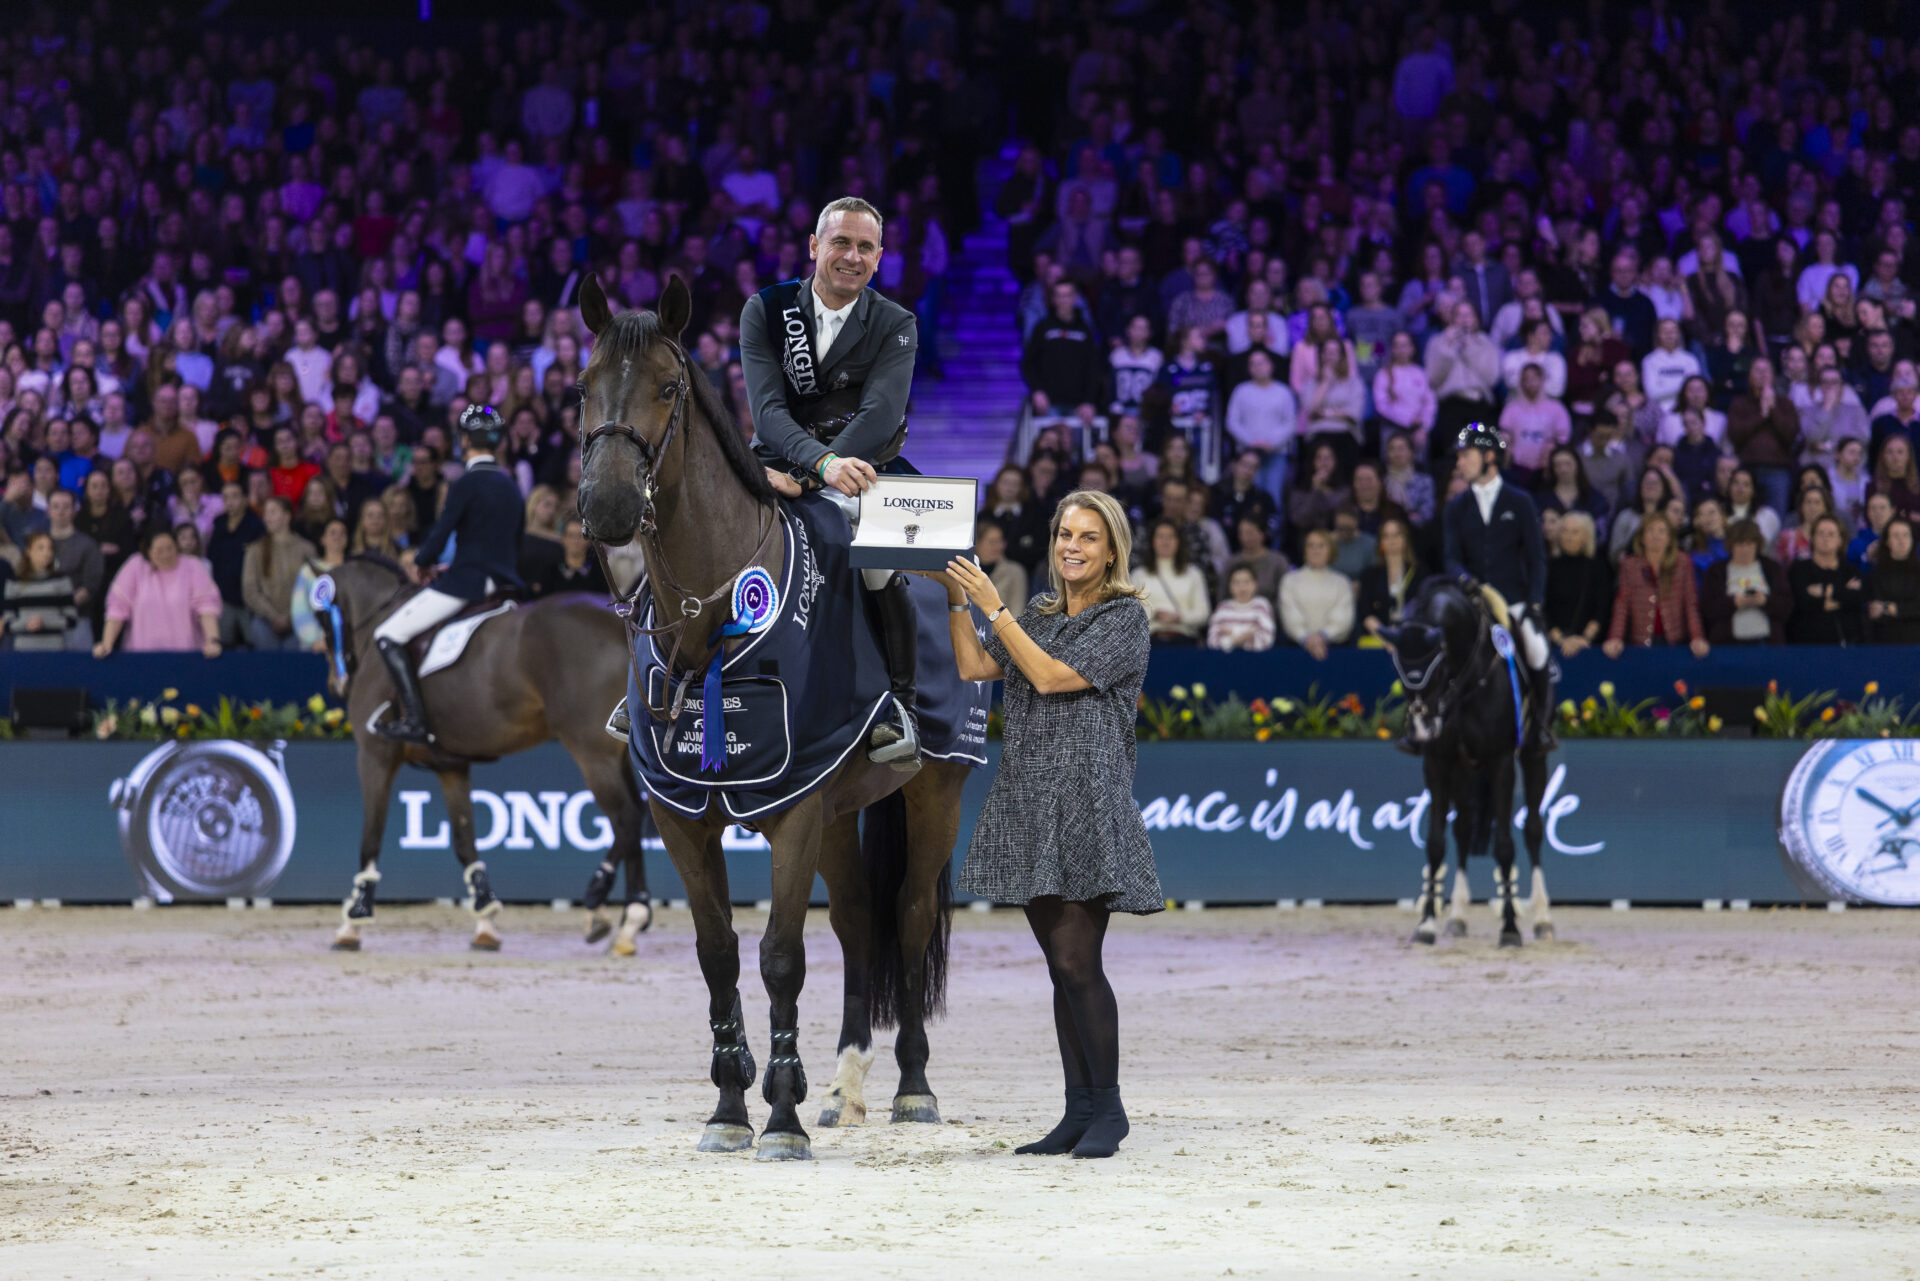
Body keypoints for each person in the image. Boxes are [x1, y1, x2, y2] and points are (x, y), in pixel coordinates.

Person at [934, 489, 1159, 1160]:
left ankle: (1109, 1110)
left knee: (1077, 961)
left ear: (1111, 548)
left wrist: (992, 606)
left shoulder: (1126, 617)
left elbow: (1053, 676)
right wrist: (953, 597)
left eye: (1088, 536)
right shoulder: (1038, 612)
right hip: (1031, 798)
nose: (1071, 545)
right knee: (1061, 969)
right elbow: (976, 665)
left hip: (1088, 802)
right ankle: (1077, 1108)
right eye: (1064, 533)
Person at [743, 196, 924, 765]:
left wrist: (822, 475)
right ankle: (658, 683)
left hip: (862, 470)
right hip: (774, 465)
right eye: (841, 243)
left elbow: (879, 415)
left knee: (878, 559)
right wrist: (813, 467)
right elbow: (767, 410)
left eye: (865, 247)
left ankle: (899, 703)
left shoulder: (895, 323)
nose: (852, 256)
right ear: (815, 247)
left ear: (879, 258)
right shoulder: (767, 310)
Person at [370, 406, 526, 744]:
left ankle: (415, 719)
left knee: (387, 634)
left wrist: (425, 562)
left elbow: (439, 537)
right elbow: (510, 543)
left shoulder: (464, 484)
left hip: (467, 584)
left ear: (465, 440)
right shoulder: (512, 487)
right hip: (505, 584)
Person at [1429, 423, 1553, 750]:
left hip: (1511, 600)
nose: (1459, 463)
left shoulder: (1520, 501)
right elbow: (1451, 557)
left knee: (1538, 651)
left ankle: (1540, 726)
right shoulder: (1456, 507)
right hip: (1472, 601)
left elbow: (1536, 558)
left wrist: (1535, 604)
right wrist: (1465, 581)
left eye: (1466, 456)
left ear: (1489, 457)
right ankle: (1430, 725)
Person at [93, 527, 223, 658]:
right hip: (141, 656)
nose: (166, 555)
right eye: (159, 551)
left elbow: (207, 607)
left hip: (186, 655)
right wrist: (107, 643)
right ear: (148, 551)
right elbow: (117, 608)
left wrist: (213, 640)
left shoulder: (192, 566)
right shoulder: (135, 565)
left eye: (170, 548)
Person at [1603, 513, 1710, 657]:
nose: (1656, 535)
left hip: (1675, 641)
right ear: (1641, 537)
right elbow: (1622, 604)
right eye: (1650, 530)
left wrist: (1697, 637)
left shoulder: (1683, 562)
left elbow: (1690, 603)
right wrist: (1615, 638)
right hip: (1639, 642)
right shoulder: (1630, 565)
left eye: (1661, 531)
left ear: (1669, 538)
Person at [242, 496, 318, 652]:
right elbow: (249, 589)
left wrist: (291, 616)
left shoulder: (306, 549)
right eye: (265, 513)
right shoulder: (255, 550)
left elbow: (313, 586)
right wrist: (273, 616)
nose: (267, 517)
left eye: (273, 512)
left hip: (300, 620)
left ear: (287, 516)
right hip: (264, 621)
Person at [1700, 520, 1791, 645]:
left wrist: (1764, 601)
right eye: (1740, 544)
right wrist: (1734, 603)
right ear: (1731, 545)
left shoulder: (1771, 568)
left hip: (1766, 644)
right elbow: (1708, 608)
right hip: (1728, 645)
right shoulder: (1717, 571)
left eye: (1749, 544)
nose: (1745, 549)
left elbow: (1786, 605)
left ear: (1757, 544)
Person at [1786, 513, 1866, 645]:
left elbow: (1857, 599)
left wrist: (1825, 591)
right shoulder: (1799, 569)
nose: (1825, 538)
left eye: (1831, 534)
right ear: (1812, 538)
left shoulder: (1850, 570)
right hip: (1805, 644)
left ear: (1840, 540)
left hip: (1846, 644)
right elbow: (1802, 602)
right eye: (1820, 533)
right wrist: (1843, 595)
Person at [1543, 511, 1611, 659]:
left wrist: (1584, 639)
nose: (1568, 537)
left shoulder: (1598, 566)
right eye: (1565, 531)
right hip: (1556, 646)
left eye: (1575, 532)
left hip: (1589, 647)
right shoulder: (1550, 566)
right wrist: (1562, 640)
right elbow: (1544, 607)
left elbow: (1602, 608)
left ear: (1586, 535)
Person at [1130, 518, 1209, 645]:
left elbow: (1203, 613)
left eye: (1170, 537)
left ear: (1179, 542)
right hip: (1149, 644)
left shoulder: (1193, 574)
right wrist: (1155, 614)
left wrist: (1179, 617)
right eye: (1160, 536)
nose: (1165, 541)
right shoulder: (1138, 575)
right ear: (1152, 541)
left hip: (1185, 642)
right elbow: (1131, 614)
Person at [1277, 528, 1353, 659]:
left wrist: (1323, 636)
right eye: (1311, 545)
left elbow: (1343, 618)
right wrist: (1306, 638)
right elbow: (1290, 614)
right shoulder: (1290, 580)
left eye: (1321, 546)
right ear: (1305, 550)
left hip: (1335, 653)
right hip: (1296, 652)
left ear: (1330, 550)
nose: (1315, 550)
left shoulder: (1342, 582)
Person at [1, 530, 80, 651]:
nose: (46, 553)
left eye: (50, 548)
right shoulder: (15, 581)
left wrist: (45, 623)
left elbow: (71, 619)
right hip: (23, 649)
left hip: (54, 648)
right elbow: (7, 621)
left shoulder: (62, 580)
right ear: (28, 551)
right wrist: (26, 624)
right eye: (41, 548)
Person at [1356, 516, 1419, 642]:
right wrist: (1387, 638)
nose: (1392, 540)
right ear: (1381, 542)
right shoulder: (1369, 575)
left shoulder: (1420, 573)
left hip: (1412, 640)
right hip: (1378, 641)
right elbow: (1365, 614)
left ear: (1405, 539)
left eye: (1396, 535)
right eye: (1386, 536)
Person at [1868, 517, 1920, 644]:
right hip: (1884, 639)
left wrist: (1894, 609)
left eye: (1906, 535)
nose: (1901, 541)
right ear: (1887, 541)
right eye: (1896, 536)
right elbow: (1874, 608)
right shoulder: (1876, 572)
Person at [1206, 564, 1276, 651]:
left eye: (1247, 582)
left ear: (1255, 584)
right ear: (1230, 586)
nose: (1242, 588)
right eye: (1237, 583)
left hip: (1256, 660)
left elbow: (1267, 640)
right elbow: (1212, 642)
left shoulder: (1262, 605)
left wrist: (1231, 635)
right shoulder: (1223, 607)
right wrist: (1245, 636)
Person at [975, 518, 1029, 615]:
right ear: (977, 544)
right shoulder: (965, 572)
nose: (999, 547)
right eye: (992, 542)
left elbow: (1017, 612)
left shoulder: (1015, 572)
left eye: (1000, 541)